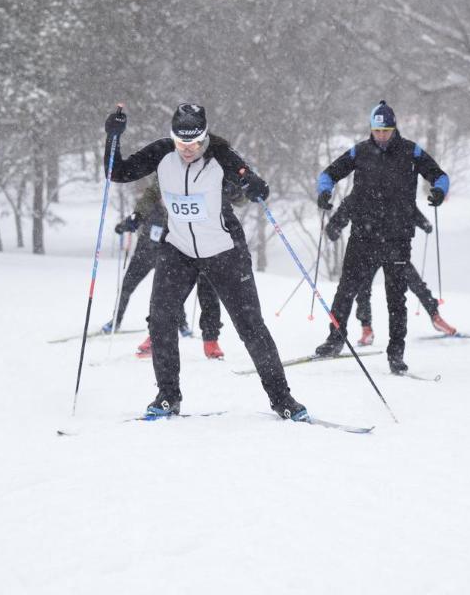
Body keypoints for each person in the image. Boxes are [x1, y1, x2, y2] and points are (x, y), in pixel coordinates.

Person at [104, 103, 308, 420]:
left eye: (196, 142)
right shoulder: (161, 153)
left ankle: (283, 399)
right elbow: (116, 173)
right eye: (181, 142)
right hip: (179, 250)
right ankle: (167, 396)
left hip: (225, 251)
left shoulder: (221, 155)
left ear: (205, 137)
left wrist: (255, 185)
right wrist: (112, 137)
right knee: (160, 320)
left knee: (251, 327)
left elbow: (253, 182)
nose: (188, 149)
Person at [314, 100, 449, 374]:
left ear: (394, 128)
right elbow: (328, 173)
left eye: (386, 131)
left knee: (396, 298)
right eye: (377, 131)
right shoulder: (359, 152)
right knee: (346, 290)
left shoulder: (411, 151)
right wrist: (325, 192)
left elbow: (440, 176)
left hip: (398, 237)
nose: (382, 136)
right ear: (371, 130)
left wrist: (438, 192)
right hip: (363, 234)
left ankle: (396, 353)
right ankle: (335, 339)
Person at [102, 176, 227, 359]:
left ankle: (184, 327)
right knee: (128, 287)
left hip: (167, 257)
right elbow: (135, 217)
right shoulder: (150, 205)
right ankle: (116, 321)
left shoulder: (179, 213)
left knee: (173, 292)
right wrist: (123, 227)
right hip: (143, 256)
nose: (164, 199)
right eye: (162, 196)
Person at [325, 193, 456, 346]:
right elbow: (347, 207)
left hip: (392, 248)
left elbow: (408, 206)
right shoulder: (362, 190)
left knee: (414, 282)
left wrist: (423, 223)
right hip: (369, 249)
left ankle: (435, 317)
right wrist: (333, 228)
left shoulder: (395, 188)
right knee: (364, 290)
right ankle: (366, 328)